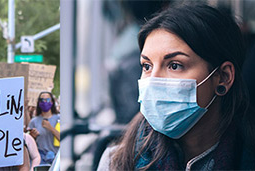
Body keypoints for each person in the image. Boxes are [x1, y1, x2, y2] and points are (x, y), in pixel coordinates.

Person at [98, 3, 255, 170]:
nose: (153, 80)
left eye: (174, 65)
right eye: (147, 66)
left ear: (223, 77)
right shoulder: (118, 161)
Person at [28, 92, 60, 164]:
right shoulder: (34, 121)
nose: (44, 102)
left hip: (56, 157)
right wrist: (33, 136)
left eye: (47, 100)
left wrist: (51, 128)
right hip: (41, 158)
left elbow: (63, 139)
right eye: (42, 100)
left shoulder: (59, 119)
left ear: (52, 102)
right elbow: (30, 144)